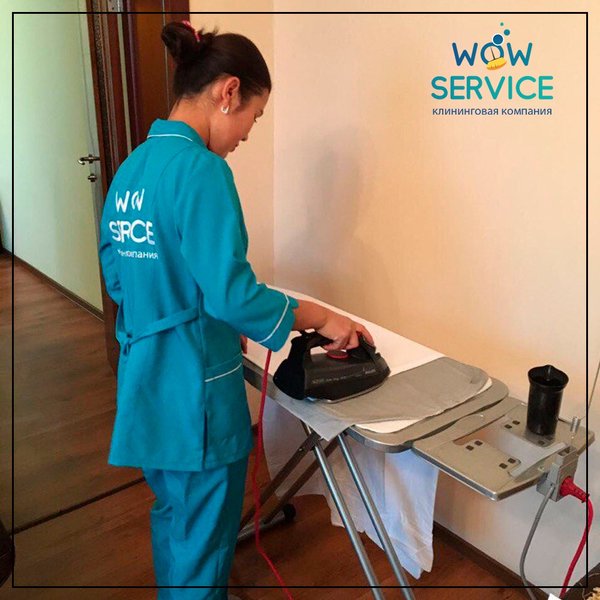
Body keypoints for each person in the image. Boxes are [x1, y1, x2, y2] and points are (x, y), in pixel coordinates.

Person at [98, 20, 373, 600]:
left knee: (175, 516)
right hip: (194, 394)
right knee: (205, 540)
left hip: (145, 381)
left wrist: (193, 310)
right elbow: (233, 295)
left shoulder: (131, 169)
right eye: (255, 115)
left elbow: (119, 277)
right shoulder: (202, 170)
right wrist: (321, 317)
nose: (248, 133)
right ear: (229, 92)